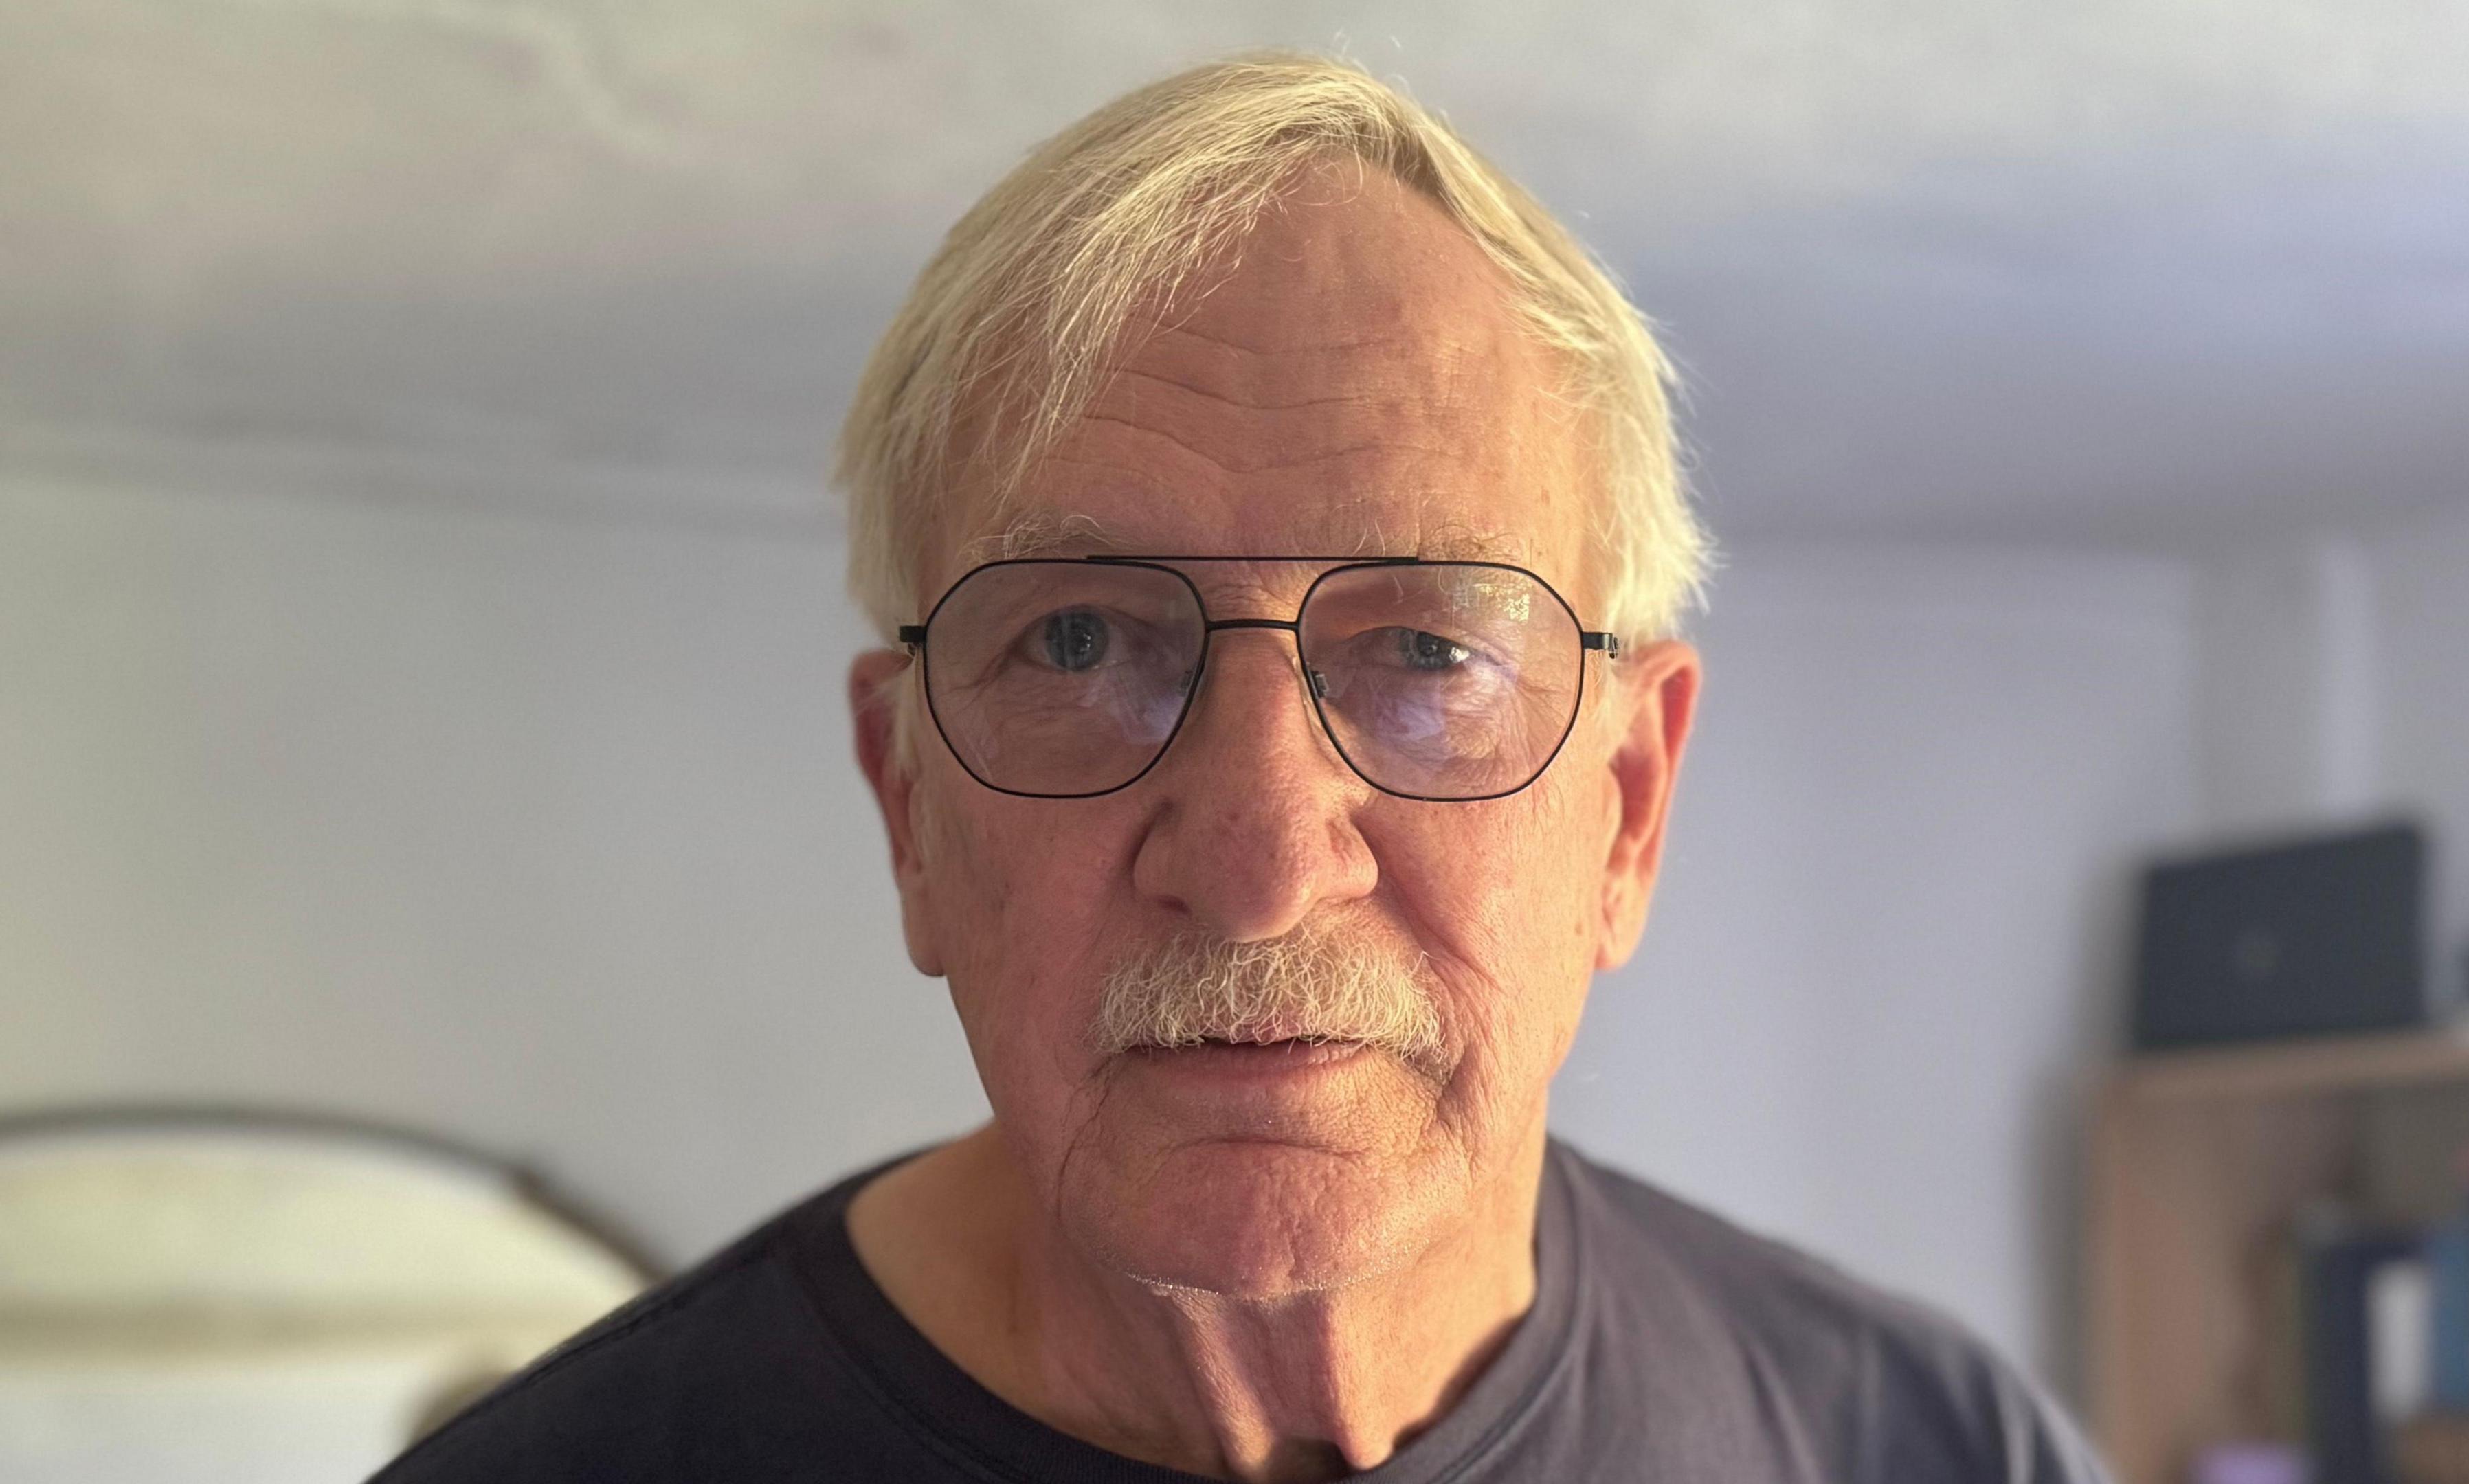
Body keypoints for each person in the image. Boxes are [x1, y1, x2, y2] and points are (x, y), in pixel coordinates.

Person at [374, 54, 2111, 1484]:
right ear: (908, 806)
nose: (1265, 859)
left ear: (1628, 811)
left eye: (1430, 651)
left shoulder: (1930, 1449)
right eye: (1078, 642)